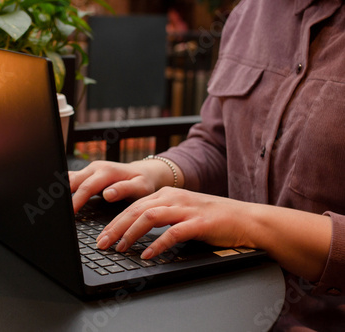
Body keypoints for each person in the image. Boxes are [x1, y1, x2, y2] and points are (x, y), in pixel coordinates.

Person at [69, 0, 345, 330]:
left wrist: (248, 221)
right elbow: (217, 143)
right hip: (224, 299)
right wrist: (153, 170)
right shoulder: (252, 12)